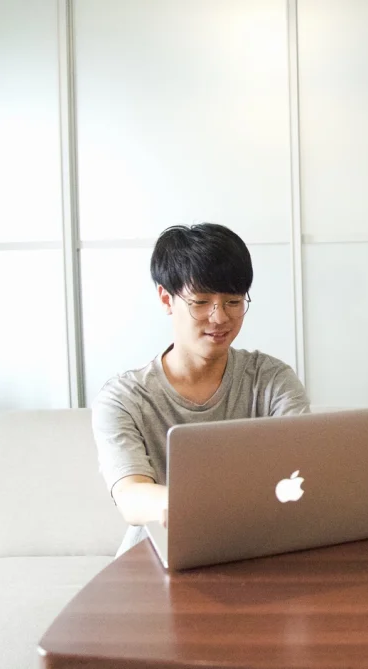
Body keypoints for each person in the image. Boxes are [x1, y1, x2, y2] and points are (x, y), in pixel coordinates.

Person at [93, 223, 309, 553]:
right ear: (166, 298)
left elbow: (302, 472)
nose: (219, 317)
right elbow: (131, 495)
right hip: (155, 559)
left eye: (233, 301)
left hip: (256, 550)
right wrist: (203, 508)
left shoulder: (272, 380)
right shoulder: (124, 398)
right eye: (201, 302)